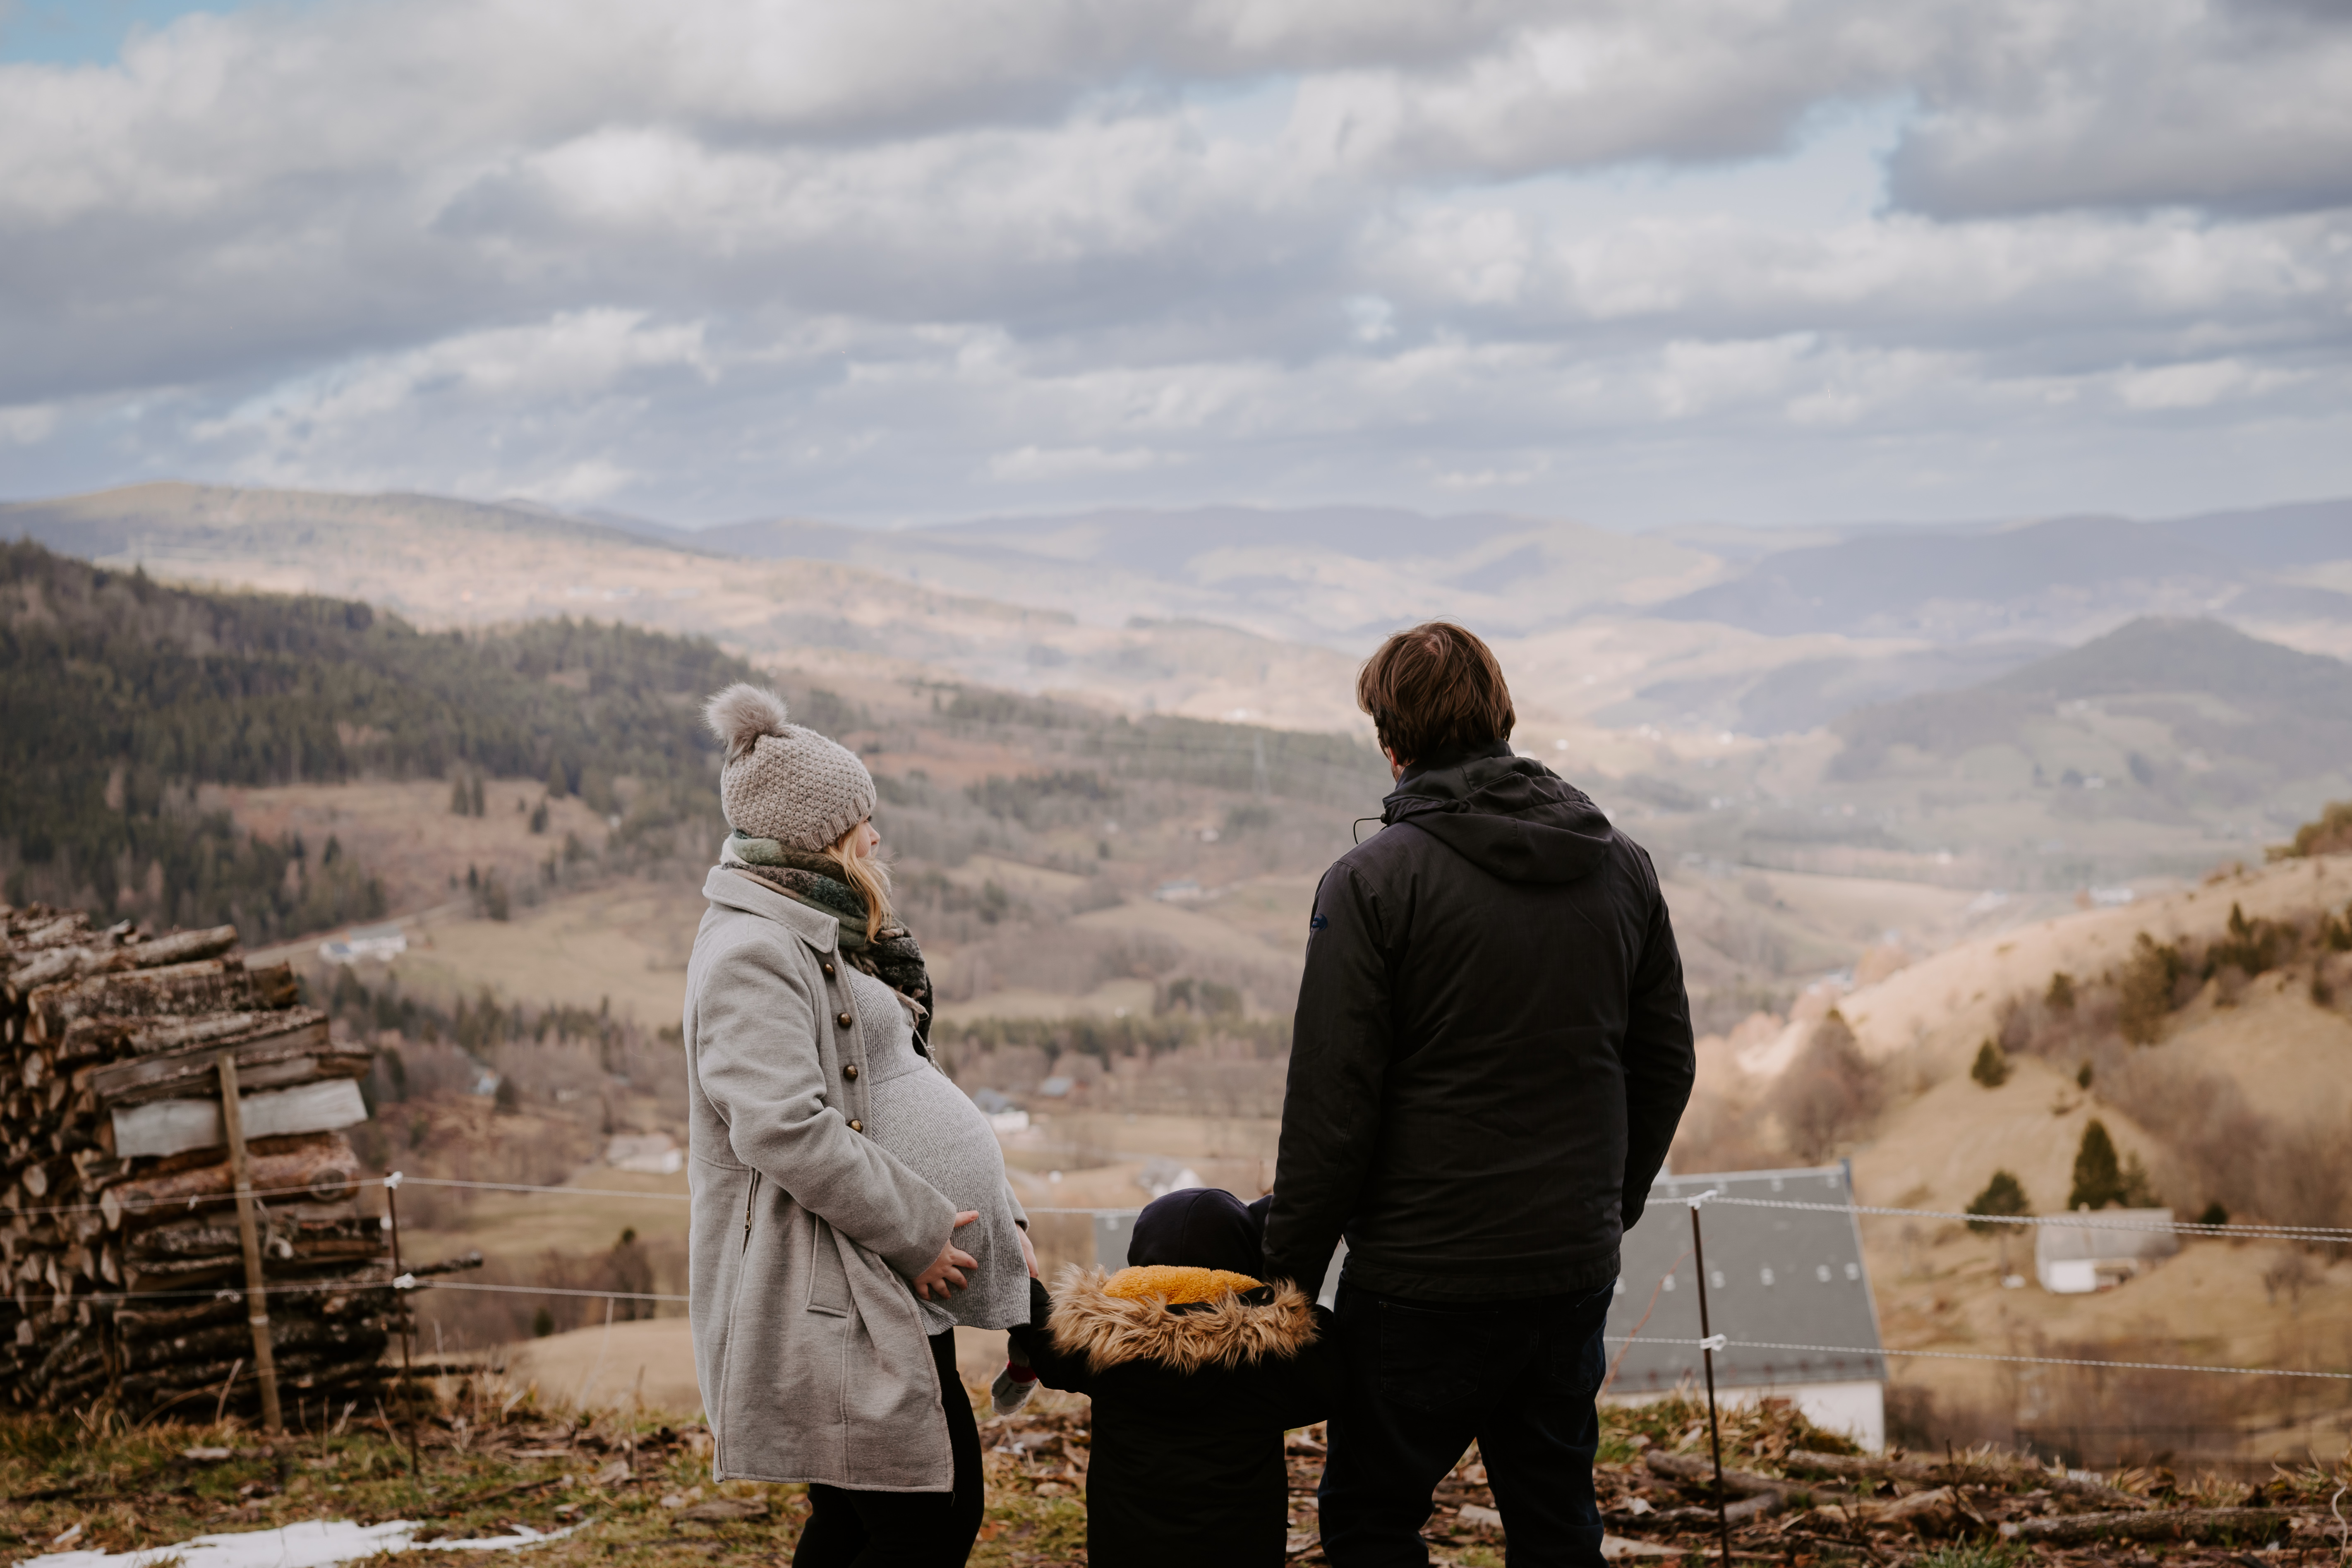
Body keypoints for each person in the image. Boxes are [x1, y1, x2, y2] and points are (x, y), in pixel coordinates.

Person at [1261, 621, 1696, 1568]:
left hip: (1423, 1278)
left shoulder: (1372, 884)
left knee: (1372, 1521)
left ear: (1391, 740)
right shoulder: (1622, 865)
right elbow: (1666, 1065)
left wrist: (1285, 1275)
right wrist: (1606, 1209)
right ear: (1502, 715)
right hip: (1569, 1266)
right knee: (1555, 1520)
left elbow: (1334, 1108)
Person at [683, 683, 1037, 1568]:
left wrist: (1000, 1217)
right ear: (816, 836)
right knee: (925, 1518)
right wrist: (919, 1230)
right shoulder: (749, 952)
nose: (874, 836)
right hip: (837, 1279)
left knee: (867, 1522)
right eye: (859, 821)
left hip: (876, 1278)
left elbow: (895, 1083)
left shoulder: (822, 931)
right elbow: (783, 1126)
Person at [1009, 1187, 1340, 1568]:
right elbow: (1334, 1368)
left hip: (1126, 1553)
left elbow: (1034, 1323)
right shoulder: (1272, 1359)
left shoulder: (1097, 1348)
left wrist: (1015, 1257)